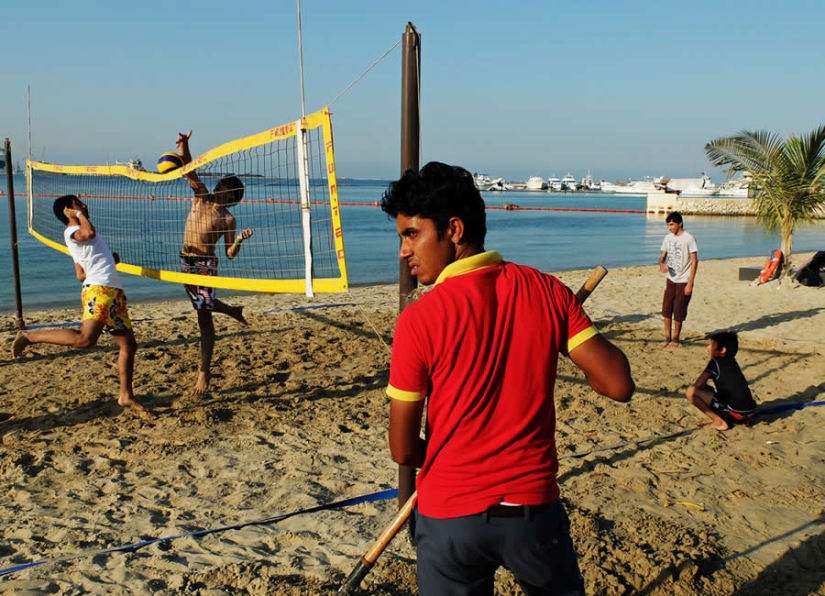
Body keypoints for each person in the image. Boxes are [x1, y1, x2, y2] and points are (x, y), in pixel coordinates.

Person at [380, 162, 635, 596]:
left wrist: (444, 459)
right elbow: (617, 384)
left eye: (411, 234)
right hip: (532, 513)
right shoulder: (547, 291)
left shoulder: (419, 319)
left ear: (454, 229)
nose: (404, 251)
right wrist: (559, 326)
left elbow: (403, 449)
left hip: (450, 516)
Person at [11, 195, 146, 414]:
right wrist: (80, 215)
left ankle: (126, 395)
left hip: (112, 292)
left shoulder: (81, 237)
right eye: (78, 204)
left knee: (129, 345)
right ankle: (29, 337)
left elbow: (80, 274)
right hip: (99, 291)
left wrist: (108, 261)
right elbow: (88, 233)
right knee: (85, 340)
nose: (84, 205)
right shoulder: (73, 232)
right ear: (68, 211)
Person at [176, 130, 254, 394]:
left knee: (204, 316)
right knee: (201, 305)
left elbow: (229, 253)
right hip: (185, 259)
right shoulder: (201, 198)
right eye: (219, 184)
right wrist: (184, 147)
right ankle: (232, 310)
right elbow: (189, 171)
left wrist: (239, 240)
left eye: (223, 187)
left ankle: (204, 372)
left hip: (205, 264)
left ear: (232, 196)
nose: (218, 187)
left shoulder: (228, 219)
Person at [685, 331, 756, 431]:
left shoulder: (715, 362)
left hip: (735, 413)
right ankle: (741, 420)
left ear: (722, 350)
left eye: (712, 345)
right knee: (709, 390)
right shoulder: (732, 361)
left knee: (691, 391)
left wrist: (711, 359)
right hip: (750, 411)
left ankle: (719, 421)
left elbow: (698, 385)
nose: (708, 348)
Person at [658, 211, 698, 348]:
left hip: (684, 279)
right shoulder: (667, 238)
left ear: (679, 223)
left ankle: (676, 338)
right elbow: (663, 255)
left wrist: (690, 283)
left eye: (672, 225)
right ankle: (667, 337)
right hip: (671, 278)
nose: (670, 228)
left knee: (679, 308)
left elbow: (694, 261)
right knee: (667, 307)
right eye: (668, 225)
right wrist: (661, 263)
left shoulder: (689, 238)